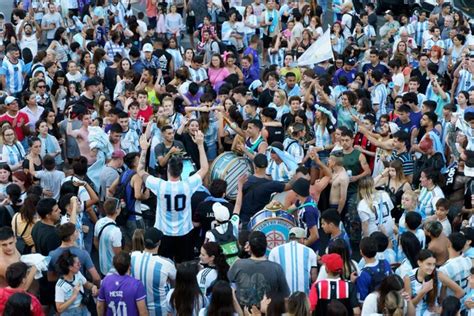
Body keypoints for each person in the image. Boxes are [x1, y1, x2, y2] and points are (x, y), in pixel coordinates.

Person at [138, 131, 208, 263]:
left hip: (164, 233)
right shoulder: (187, 185)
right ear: (181, 171)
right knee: (184, 265)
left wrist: (143, 150)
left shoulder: (160, 185)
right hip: (184, 232)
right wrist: (200, 145)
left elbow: (141, 171)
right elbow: (204, 168)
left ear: (168, 169)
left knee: (165, 263)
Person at [228, 231, 290, 307]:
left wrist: (241, 253)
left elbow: (229, 276)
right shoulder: (277, 268)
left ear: (249, 247)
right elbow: (286, 295)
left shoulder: (238, 264)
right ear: (266, 246)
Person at [131, 227, 177, 316]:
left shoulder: (132, 257)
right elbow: (175, 284)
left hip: (137, 309)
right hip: (160, 311)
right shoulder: (166, 264)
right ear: (159, 242)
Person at [404, 249, 464, 315]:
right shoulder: (409, 278)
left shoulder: (438, 274)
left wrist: (443, 307)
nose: (432, 268)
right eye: (428, 264)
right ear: (419, 263)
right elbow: (408, 305)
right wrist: (423, 291)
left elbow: (460, 292)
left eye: (434, 264)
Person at [268, 227, 317, 294]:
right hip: (303, 298)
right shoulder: (310, 251)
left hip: (283, 298)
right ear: (302, 239)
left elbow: (271, 278)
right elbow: (313, 278)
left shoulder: (274, 251)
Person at [97, 251, 148, 316]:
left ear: (114, 266)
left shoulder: (106, 281)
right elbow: (143, 312)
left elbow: (99, 306)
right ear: (129, 266)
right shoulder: (136, 284)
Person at [54, 250, 98, 315]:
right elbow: (59, 308)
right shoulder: (60, 286)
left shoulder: (77, 274)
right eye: (78, 264)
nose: (80, 265)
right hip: (70, 312)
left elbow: (86, 284)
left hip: (83, 308)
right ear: (70, 267)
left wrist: (93, 286)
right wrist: (74, 296)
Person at [93, 197, 123, 276]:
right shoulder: (116, 231)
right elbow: (118, 254)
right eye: (119, 207)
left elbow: (95, 241)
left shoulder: (99, 222)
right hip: (114, 270)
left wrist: (102, 251)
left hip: (102, 267)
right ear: (116, 210)